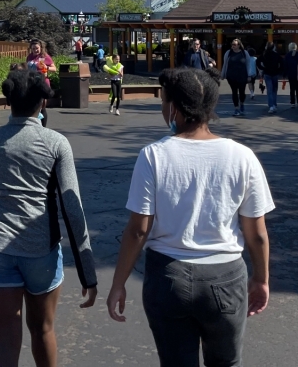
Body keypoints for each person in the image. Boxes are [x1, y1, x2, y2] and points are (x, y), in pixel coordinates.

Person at [107, 67, 274, 367]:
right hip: (225, 276)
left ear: (174, 108)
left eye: (163, 102)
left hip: (168, 276)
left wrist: (118, 283)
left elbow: (137, 231)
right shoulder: (242, 156)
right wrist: (261, 279)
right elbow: (257, 233)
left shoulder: (153, 155)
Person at [0, 68, 98, 367]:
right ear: (42, 104)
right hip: (40, 250)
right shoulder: (56, 143)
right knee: (42, 330)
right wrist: (88, 273)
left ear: (8, 101)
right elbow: (72, 208)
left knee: (4, 336)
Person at [27, 39, 56, 127]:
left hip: (42, 82)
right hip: (32, 83)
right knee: (34, 106)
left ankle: (43, 127)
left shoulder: (44, 56)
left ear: (41, 47)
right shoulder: (29, 57)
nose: (35, 50)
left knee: (42, 105)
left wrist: (46, 67)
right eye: (33, 48)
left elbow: (54, 69)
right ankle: (35, 125)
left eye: (37, 48)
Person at [220, 38, 250, 116]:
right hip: (231, 76)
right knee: (234, 92)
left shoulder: (244, 53)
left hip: (242, 76)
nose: (233, 46)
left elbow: (249, 64)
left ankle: (242, 104)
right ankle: (236, 108)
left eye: (235, 44)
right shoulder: (228, 53)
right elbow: (225, 64)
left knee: (242, 93)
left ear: (239, 45)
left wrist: (249, 75)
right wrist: (222, 74)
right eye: (232, 44)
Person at [260, 42, 283, 115]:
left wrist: (262, 68)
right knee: (274, 90)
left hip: (267, 73)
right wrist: (279, 71)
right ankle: (274, 104)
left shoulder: (264, 54)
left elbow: (257, 62)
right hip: (275, 74)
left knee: (269, 90)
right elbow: (282, 63)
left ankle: (271, 106)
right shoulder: (276, 55)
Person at [283, 42, 298, 109]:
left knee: (292, 89)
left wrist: (284, 75)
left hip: (290, 74)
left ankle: (292, 103)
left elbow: (285, 65)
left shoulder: (287, 55)